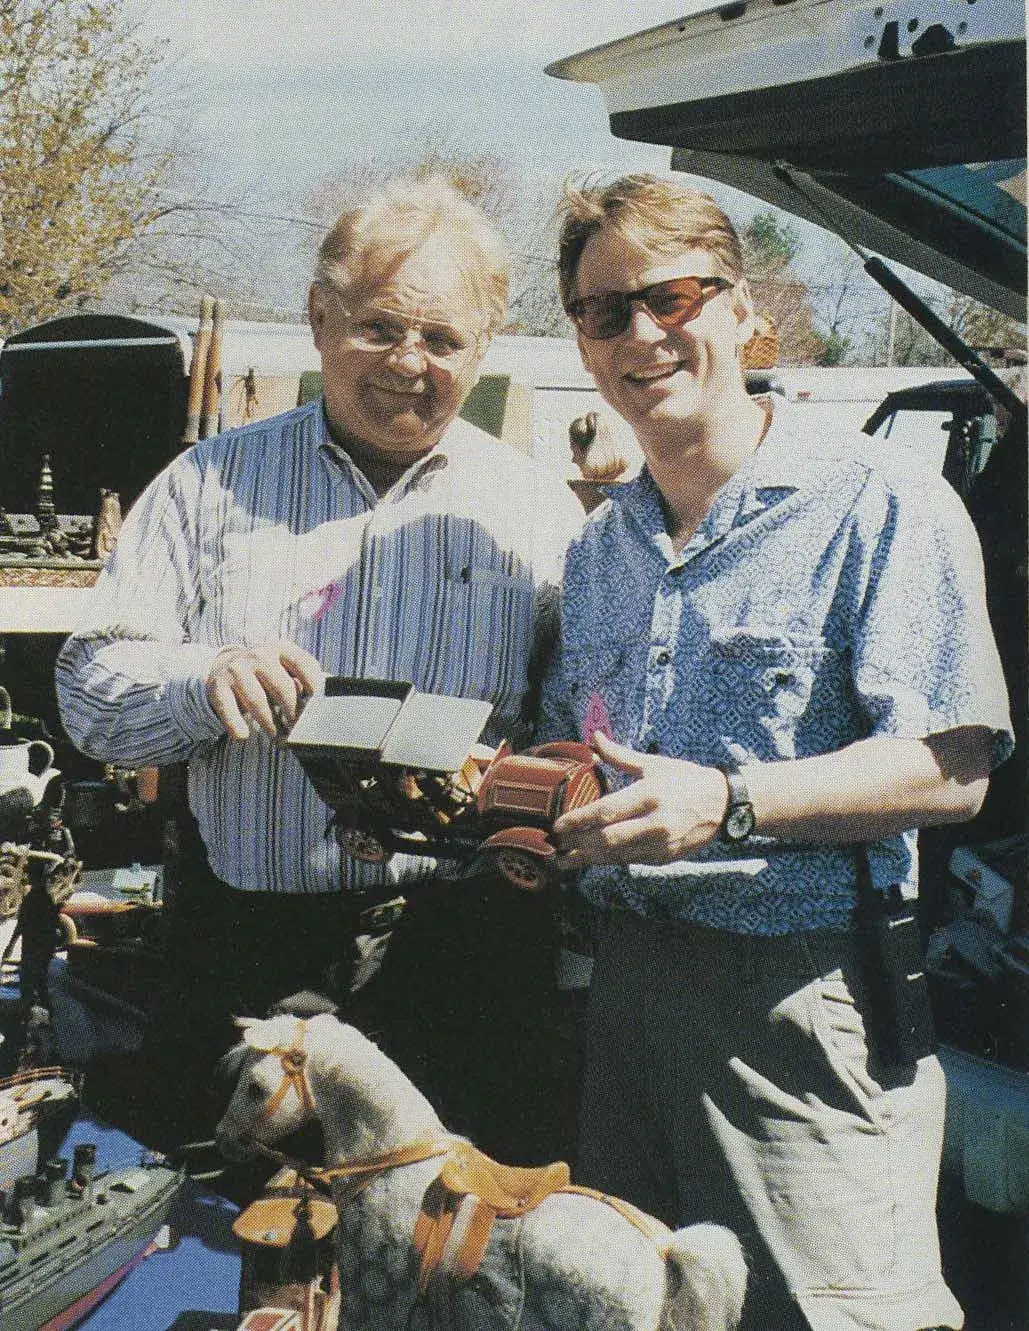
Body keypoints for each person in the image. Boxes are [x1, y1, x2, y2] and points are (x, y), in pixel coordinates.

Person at [540, 174, 1013, 1331]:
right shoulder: (601, 550)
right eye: (605, 313)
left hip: (807, 1002)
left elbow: (957, 762)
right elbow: (580, 759)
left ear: (744, 311)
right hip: (627, 1003)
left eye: (672, 296)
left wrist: (730, 801)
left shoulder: (881, 502)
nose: (642, 335)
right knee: (637, 1307)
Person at [55, 175, 584, 1159]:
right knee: (261, 1245)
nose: (408, 365)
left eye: (443, 339)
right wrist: (202, 684)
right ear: (316, 317)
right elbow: (86, 693)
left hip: (465, 963)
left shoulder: (537, 510)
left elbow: (573, 731)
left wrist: (537, 810)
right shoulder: (209, 485)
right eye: (379, 328)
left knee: (450, 1257)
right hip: (255, 958)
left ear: (487, 347)